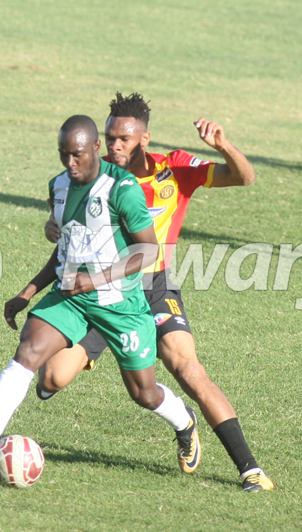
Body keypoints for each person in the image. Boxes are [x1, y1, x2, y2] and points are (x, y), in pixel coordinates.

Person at [38, 93, 274, 492]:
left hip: (151, 285)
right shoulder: (92, 177)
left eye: (123, 139)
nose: (114, 146)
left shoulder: (174, 169)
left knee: (187, 368)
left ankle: (250, 469)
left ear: (144, 139)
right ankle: (170, 407)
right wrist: (51, 225)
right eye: (109, 137)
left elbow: (244, 177)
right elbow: (59, 214)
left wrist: (224, 146)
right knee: (51, 379)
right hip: (98, 289)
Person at [0, 115, 200, 475]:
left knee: (144, 393)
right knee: (29, 351)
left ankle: (184, 422)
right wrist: (27, 292)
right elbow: (64, 251)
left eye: (78, 155)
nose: (71, 164)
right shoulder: (58, 187)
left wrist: (95, 279)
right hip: (71, 296)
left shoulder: (122, 188)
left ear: (96, 148)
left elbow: (148, 251)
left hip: (122, 305)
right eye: (63, 155)